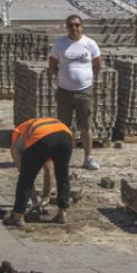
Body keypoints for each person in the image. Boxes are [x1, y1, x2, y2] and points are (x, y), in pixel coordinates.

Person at [49, 14, 102, 170]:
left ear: (81, 27)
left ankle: (88, 158)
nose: (74, 28)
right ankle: (62, 158)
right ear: (67, 27)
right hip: (65, 91)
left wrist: (89, 78)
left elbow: (97, 64)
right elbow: (52, 63)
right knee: (63, 126)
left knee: (86, 125)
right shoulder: (60, 44)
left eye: (77, 25)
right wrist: (60, 76)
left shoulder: (90, 44)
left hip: (84, 91)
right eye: (71, 25)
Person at [4, 117, 73, 228]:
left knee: (26, 178)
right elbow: (49, 171)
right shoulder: (36, 126)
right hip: (66, 136)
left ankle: (17, 217)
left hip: (44, 138)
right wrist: (43, 200)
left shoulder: (16, 139)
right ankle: (62, 214)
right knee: (62, 176)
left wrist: (35, 199)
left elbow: (24, 173)